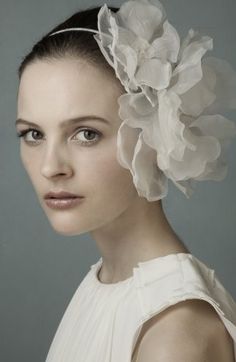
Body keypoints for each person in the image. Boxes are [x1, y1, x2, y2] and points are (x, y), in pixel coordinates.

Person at [16, 0, 236, 361]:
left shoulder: (172, 332)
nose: (49, 167)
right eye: (33, 134)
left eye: (86, 133)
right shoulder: (105, 282)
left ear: (152, 132)